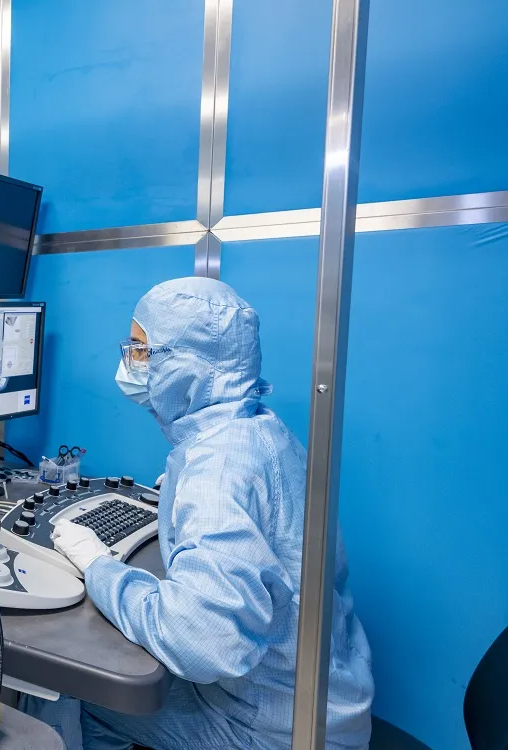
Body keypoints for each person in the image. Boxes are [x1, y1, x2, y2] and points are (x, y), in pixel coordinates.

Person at [24, 277, 374, 749]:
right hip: (328, 703)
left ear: (188, 366)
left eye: (141, 351)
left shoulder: (217, 470)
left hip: (274, 732)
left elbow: (200, 643)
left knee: (75, 694)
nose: (128, 365)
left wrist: (98, 569)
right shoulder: (260, 432)